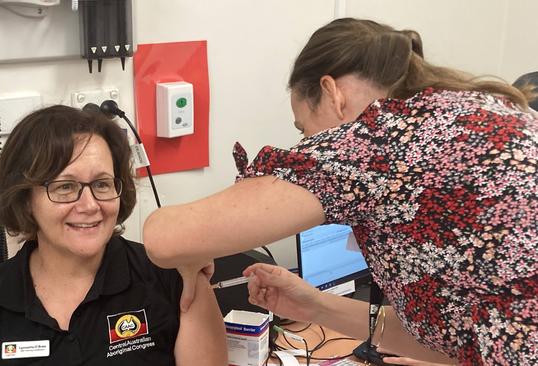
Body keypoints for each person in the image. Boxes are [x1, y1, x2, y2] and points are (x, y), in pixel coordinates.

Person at [143, 18, 538, 365]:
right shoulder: (480, 110)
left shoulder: (376, 141)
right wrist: (313, 306)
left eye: (303, 129)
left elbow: (164, 237)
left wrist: (194, 252)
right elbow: (464, 336)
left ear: (332, 92)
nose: (307, 144)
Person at [0, 105, 227, 365]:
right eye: (64, 187)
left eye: (102, 184)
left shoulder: (176, 281)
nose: (89, 205)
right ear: (25, 200)